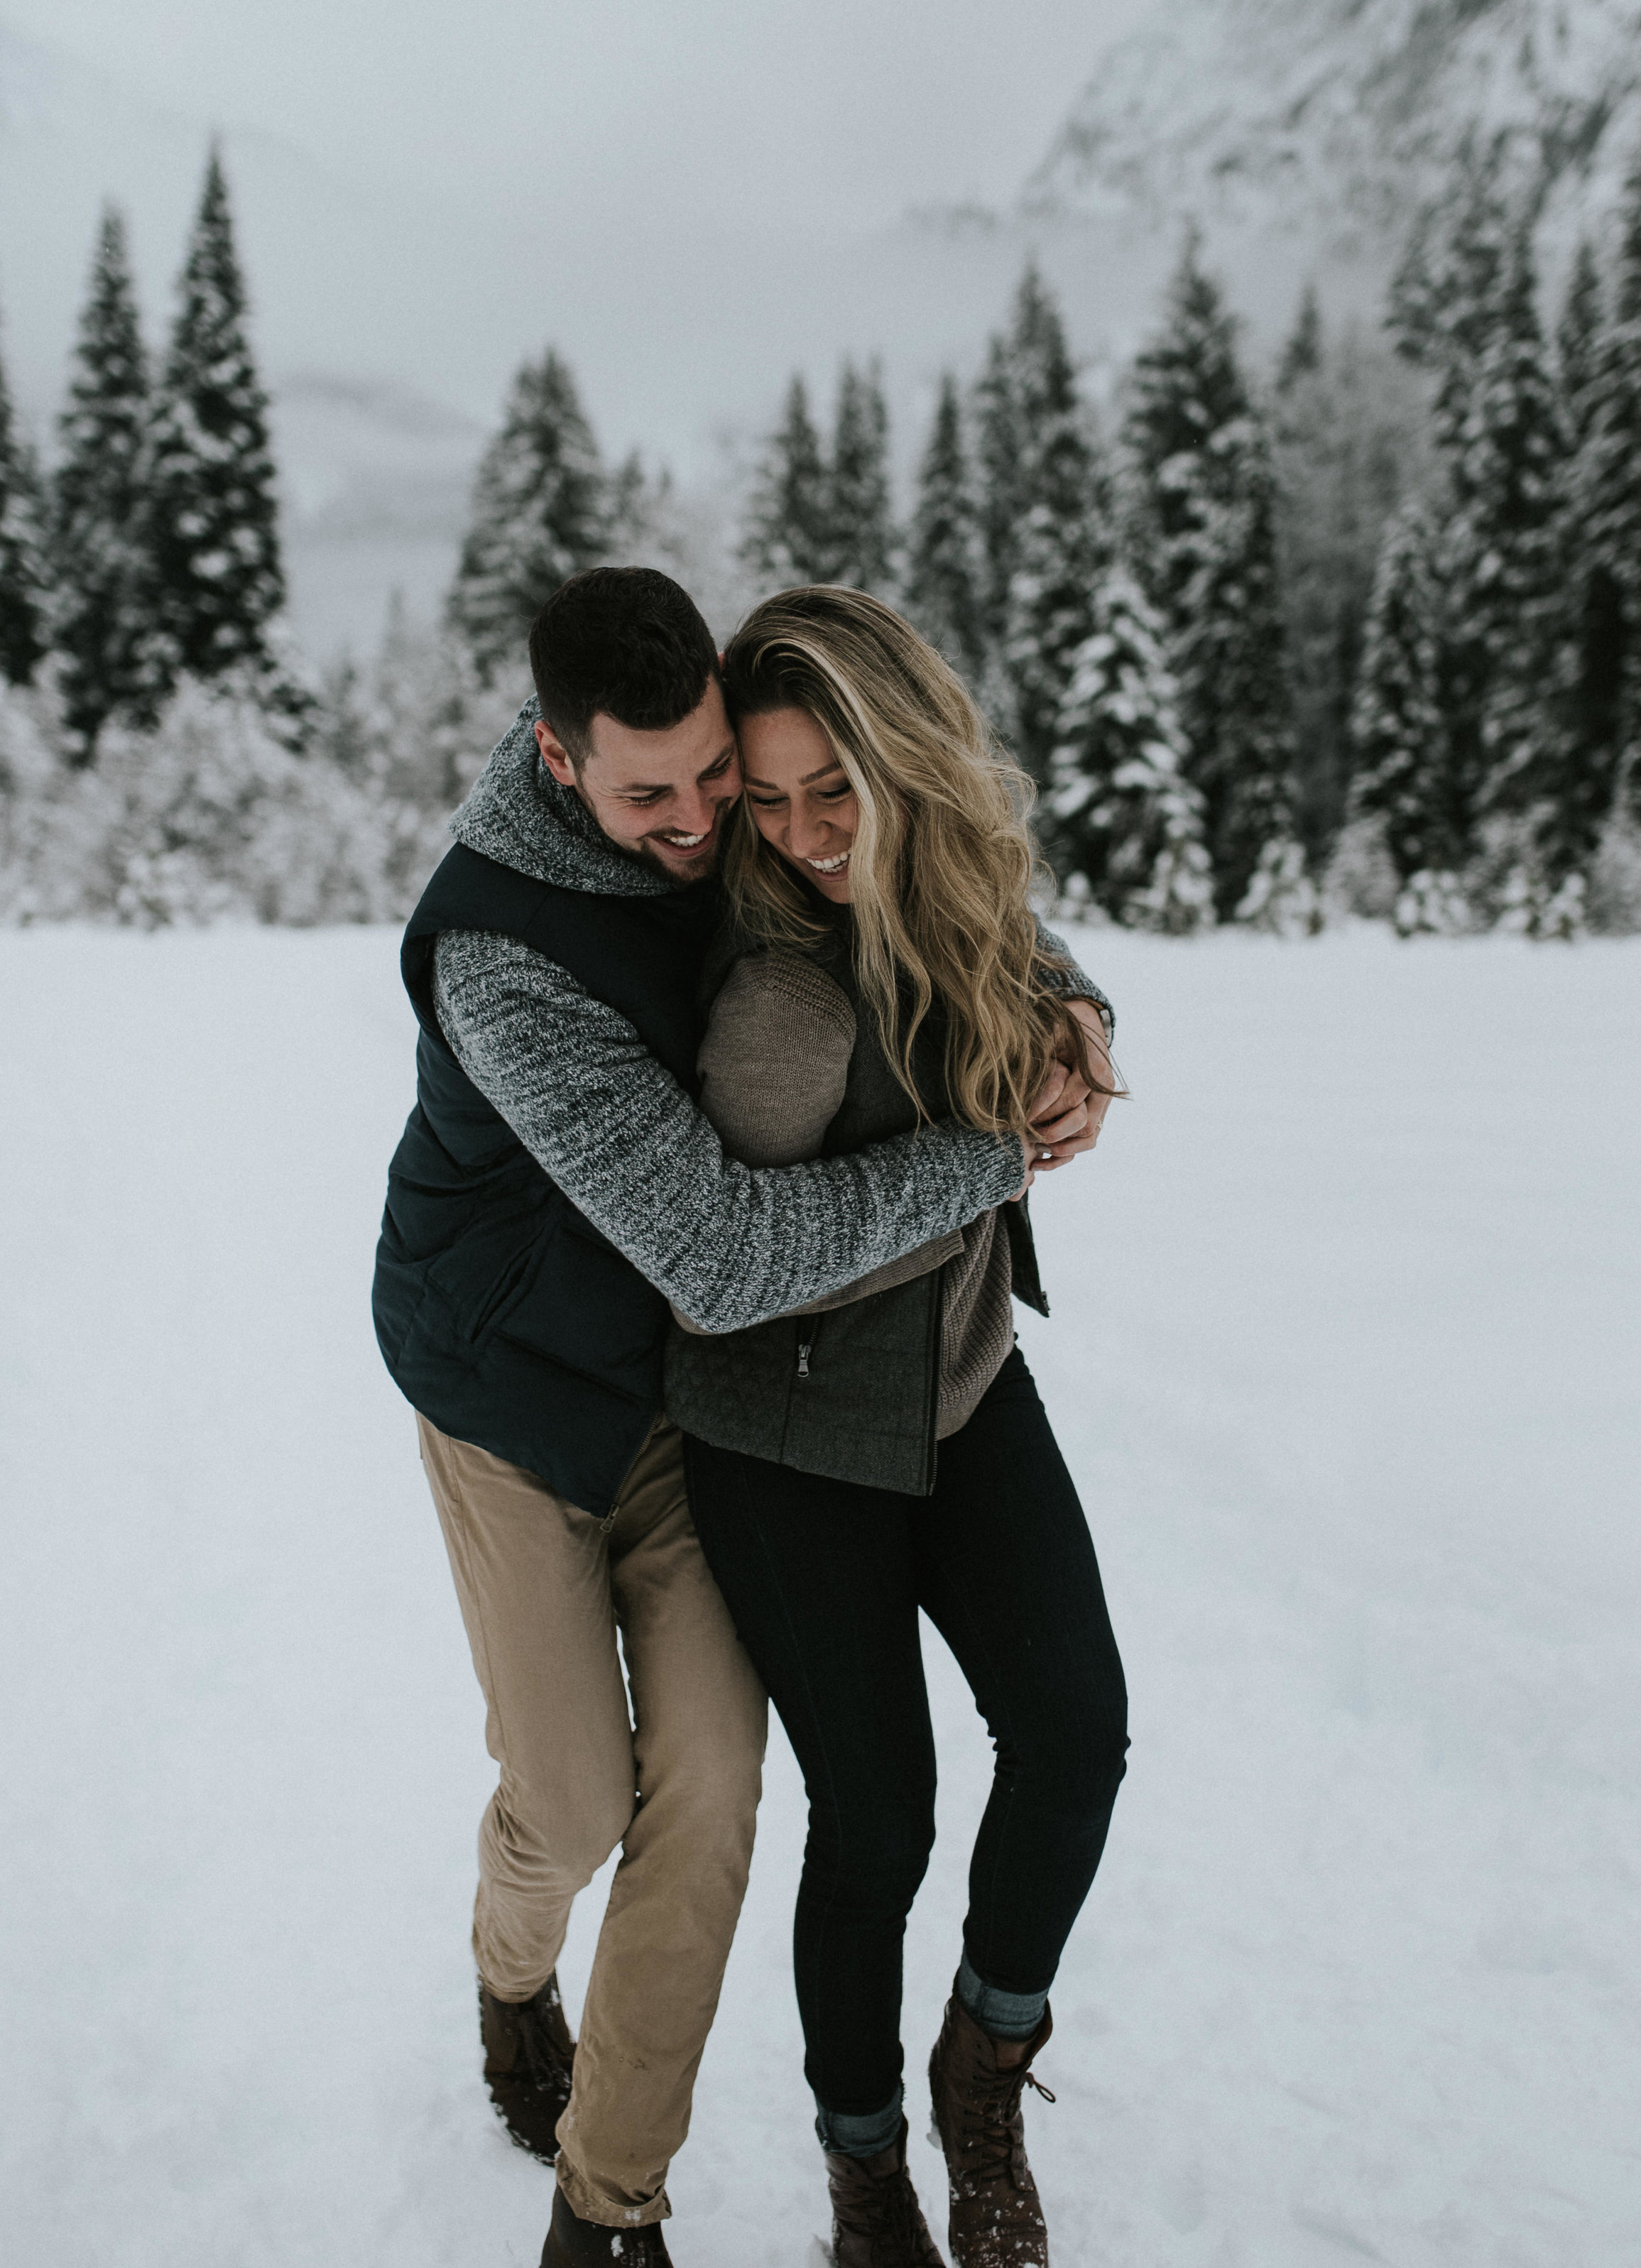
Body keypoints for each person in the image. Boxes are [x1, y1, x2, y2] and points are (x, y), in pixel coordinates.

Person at [371, 566, 1113, 2268]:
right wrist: (987, 1155)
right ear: (559, 764)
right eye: (660, 794)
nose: (712, 821)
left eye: (726, 775)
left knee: (705, 1788)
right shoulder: (504, 953)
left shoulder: (722, 810)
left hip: (673, 1383)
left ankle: (604, 2207)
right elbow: (716, 1248)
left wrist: (1063, 994)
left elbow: (904, 860)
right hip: (509, 1387)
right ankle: (508, 1975)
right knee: (571, 1801)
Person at [665, 588, 1128, 2268]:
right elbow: (721, 1266)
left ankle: (983, 2066)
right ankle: (865, 2173)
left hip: (955, 1378)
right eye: (767, 802)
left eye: (829, 793)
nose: (793, 838)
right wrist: (984, 1155)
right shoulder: (773, 1002)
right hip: (780, 1427)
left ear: (903, 764)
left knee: (1074, 1730)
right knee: (881, 1816)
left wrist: (1079, 1026)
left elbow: (999, 942)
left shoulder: (943, 883)